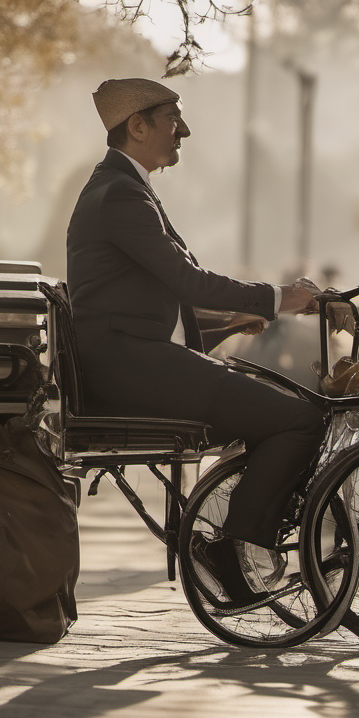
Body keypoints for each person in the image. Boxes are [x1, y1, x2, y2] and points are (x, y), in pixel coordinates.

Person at [66, 78, 324, 604]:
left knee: (282, 413)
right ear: (137, 127)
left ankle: (238, 537)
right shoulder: (120, 194)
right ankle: (233, 550)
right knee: (301, 419)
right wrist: (279, 297)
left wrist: (230, 324)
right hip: (128, 365)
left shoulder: (122, 187)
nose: (184, 131)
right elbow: (190, 280)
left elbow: (143, 302)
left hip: (131, 356)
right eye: (172, 120)